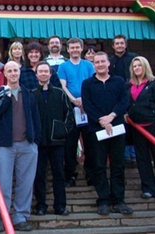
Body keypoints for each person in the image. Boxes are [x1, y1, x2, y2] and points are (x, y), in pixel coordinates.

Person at [0, 61, 41, 232]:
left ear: (19, 72)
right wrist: (6, 99)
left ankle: (20, 216)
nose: (13, 73)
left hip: (27, 144)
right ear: (5, 74)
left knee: (26, 183)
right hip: (5, 146)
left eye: (15, 70)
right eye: (9, 71)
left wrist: (35, 141)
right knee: (2, 182)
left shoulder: (29, 94)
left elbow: (36, 118)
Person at [82, 51, 132, 215]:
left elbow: (124, 101)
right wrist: (101, 121)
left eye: (103, 61)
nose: (100, 64)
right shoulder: (87, 83)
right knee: (99, 165)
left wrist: (111, 117)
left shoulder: (119, 81)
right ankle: (103, 200)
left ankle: (119, 200)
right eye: (97, 62)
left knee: (118, 165)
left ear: (108, 63)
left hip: (116, 128)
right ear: (93, 65)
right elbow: (88, 106)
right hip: (96, 130)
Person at [32, 61, 73, 216]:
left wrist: (62, 131)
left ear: (50, 74)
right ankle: (41, 205)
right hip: (39, 142)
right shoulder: (32, 95)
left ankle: (60, 205)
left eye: (46, 71)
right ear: (36, 75)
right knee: (39, 175)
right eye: (40, 71)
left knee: (59, 175)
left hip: (57, 142)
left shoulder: (60, 93)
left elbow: (69, 115)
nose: (43, 74)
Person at [58, 37, 95, 187]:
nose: (74, 50)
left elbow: (93, 83)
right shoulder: (63, 66)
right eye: (71, 47)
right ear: (67, 49)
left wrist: (84, 101)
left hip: (87, 109)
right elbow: (63, 86)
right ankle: (70, 175)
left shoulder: (88, 65)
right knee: (70, 145)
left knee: (91, 144)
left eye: (77, 47)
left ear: (81, 48)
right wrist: (74, 100)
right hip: (71, 109)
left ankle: (91, 174)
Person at [127, 56, 155, 199]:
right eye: (134, 66)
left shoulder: (153, 84)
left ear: (145, 66)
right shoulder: (129, 85)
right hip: (136, 127)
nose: (137, 68)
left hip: (152, 126)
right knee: (142, 158)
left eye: (139, 65)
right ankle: (148, 188)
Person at [109, 34, 138, 165]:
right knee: (121, 125)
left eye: (122, 43)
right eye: (117, 43)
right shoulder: (110, 61)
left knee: (134, 125)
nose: (120, 45)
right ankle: (125, 154)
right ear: (113, 46)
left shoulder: (134, 58)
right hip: (116, 98)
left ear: (125, 44)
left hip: (134, 95)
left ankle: (134, 153)